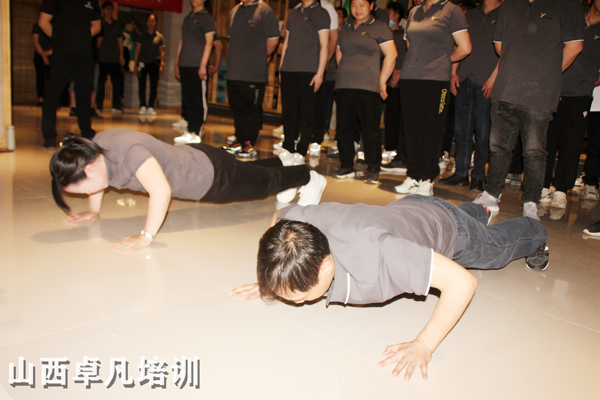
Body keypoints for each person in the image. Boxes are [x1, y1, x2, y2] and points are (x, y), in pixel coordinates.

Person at [231, 195, 548, 380]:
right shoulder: (296, 228)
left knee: (497, 251)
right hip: (407, 209)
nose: (295, 302)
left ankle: (535, 230)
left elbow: (462, 282)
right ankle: (478, 209)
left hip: (452, 230)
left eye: (299, 297)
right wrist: (275, 280)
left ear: (325, 266)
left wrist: (423, 345)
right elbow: (279, 216)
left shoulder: (381, 254)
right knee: (445, 214)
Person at [50, 129, 328, 253]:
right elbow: (97, 184)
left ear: (89, 169)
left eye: (81, 190)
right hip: (198, 159)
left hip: (209, 176)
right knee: (250, 175)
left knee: (261, 185)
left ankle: (307, 176)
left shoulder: (130, 153)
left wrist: (145, 237)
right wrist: (93, 211)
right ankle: (282, 164)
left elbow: (161, 192)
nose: (85, 194)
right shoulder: (96, 148)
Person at [473, 0, 585, 218]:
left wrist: (547, 73)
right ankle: (491, 193)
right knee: (498, 147)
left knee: (534, 151)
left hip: (539, 93)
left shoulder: (567, 5)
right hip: (506, 88)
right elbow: (500, 45)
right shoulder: (509, 5)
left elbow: (575, 47)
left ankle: (531, 201)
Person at [392, 0, 471, 196]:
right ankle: (413, 175)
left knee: (433, 128)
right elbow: (410, 44)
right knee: (411, 128)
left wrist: (442, 60)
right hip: (410, 76)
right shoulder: (414, 11)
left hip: (436, 79)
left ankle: (427, 178)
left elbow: (465, 47)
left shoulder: (451, 11)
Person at [540, 0, 600, 210]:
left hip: (579, 94)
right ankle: (543, 186)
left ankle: (562, 190)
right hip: (553, 89)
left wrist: (586, 81)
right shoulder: (570, 16)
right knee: (546, 140)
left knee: (572, 144)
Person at [438, 0, 502, 193]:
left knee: (483, 133)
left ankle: (478, 177)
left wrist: (493, 79)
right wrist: (453, 71)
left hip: (487, 81)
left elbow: (507, 52)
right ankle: (461, 173)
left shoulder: (506, 14)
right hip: (464, 78)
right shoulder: (469, 15)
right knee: (461, 130)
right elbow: (459, 44)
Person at [332, 0, 397, 185]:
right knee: (344, 128)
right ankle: (346, 165)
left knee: (370, 129)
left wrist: (382, 81)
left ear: (371, 6)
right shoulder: (346, 28)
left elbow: (391, 55)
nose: (357, 9)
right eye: (354, 5)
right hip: (345, 85)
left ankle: (373, 168)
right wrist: (346, 71)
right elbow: (339, 53)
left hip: (368, 86)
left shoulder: (380, 27)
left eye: (362, 5)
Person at [38, 0, 101, 150]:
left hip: (84, 54)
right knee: (53, 94)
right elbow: (43, 22)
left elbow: (97, 26)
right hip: (62, 54)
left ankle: (86, 133)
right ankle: (49, 136)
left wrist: (81, 37)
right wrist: (62, 39)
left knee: (84, 94)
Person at [223, 0, 280, 157]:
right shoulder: (234, 11)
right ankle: (239, 140)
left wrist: (258, 57)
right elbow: (231, 39)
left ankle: (249, 143)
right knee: (237, 107)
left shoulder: (265, 11)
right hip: (234, 71)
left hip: (254, 72)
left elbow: (273, 41)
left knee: (251, 108)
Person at [279, 0, 330, 158]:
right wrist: (281, 67)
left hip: (309, 70)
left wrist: (320, 73)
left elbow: (325, 45)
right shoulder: (293, 13)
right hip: (289, 69)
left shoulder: (321, 13)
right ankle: (288, 145)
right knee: (288, 111)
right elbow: (287, 42)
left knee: (306, 113)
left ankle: (302, 149)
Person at [173, 0, 215, 145]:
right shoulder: (187, 18)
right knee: (188, 99)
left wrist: (203, 65)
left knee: (197, 100)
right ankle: (190, 130)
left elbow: (209, 43)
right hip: (184, 63)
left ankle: (196, 132)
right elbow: (182, 41)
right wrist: (177, 62)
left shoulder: (207, 18)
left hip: (197, 64)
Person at [310, 0, 339, 158]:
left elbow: (333, 39)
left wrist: (326, 60)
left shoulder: (327, 8)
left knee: (319, 101)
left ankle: (317, 137)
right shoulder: (298, 9)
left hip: (319, 63)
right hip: (302, 63)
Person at [381, 1, 408, 173]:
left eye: (389, 13)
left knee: (395, 119)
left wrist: (397, 72)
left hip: (396, 83)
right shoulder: (382, 32)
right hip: (381, 81)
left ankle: (396, 153)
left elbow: (403, 55)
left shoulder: (401, 34)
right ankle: (388, 149)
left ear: (396, 16)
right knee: (386, 119)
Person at [322, 7, 347, 141]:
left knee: (342, 107)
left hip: (341, 76)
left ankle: (340, 134)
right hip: (328, 74)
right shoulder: (328, 32)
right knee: (326, 104)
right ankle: (324, 130)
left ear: (345, 19)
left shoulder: (346, 32)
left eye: (339, 16)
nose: (336, 18)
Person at [96, 2, 125, 113]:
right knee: (101, 82)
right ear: (103, 10)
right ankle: (99, 104)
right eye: (107, 9)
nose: (109, 11)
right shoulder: (99, 23)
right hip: (102, 57)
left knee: (116, 83)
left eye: (111, 9)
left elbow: (120, 41)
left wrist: (121, 56)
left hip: (114, 58)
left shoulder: (116, 24)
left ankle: (116, 104)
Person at [134, 14, 165, 116]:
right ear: (146, 22)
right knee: (142, 84)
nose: (151, 23)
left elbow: (161, 51)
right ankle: (142, 105)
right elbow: (137, 50)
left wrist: (162, 64)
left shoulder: (159, 37)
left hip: (154, 63)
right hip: (142, 62)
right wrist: (135, 64)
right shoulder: (142, 35)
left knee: (154, 85)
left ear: (156, 23)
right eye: (149, 21)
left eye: (152, 21)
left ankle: (151, 106)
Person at [32, 22, 52, 106]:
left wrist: (50, 52)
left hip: (52, 54)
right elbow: (36, 42)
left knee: (52, 77)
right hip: (39, 54)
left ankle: (51, 99)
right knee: (40, 76)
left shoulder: (54, 25)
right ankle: (40, 98)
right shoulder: (36, 26)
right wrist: (43, 55)